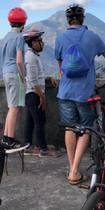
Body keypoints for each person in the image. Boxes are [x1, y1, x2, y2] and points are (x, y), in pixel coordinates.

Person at [55, 3, 105, 185]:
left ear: (68, 20)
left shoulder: (60, 38)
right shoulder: (93, 37)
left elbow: (61, 66)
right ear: (83, 19)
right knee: (85, 129)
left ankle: (71, 167)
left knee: (70, 128)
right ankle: (75, 171)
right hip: (85, 93)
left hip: (66, 91)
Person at [22, 29, 61, 157]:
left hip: (31, 94)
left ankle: (27, 146)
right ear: (34, 43)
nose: (43, 43)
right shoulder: (31, 57)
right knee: (40, 121)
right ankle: (43, 150)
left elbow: (36, 77)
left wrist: (48, 78)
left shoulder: (32, 56)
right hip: (34, 94)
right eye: (40, 41)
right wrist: (42, 96)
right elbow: (32, 80)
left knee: (30, 121)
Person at [1, 7, 28, 148]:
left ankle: (6, 137)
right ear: (23, 22)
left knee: (11, 107)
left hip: (6, 73)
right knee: (15, 108)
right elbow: (19, 60)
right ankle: (10, 140)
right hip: (15, 73)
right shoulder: (19, 37)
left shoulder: (7, 36)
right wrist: (23, 76)